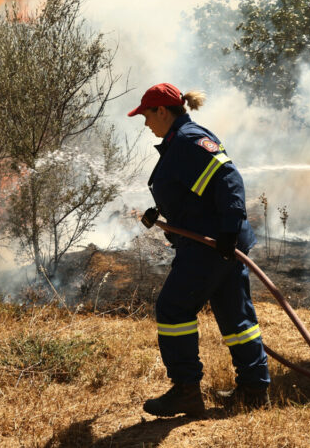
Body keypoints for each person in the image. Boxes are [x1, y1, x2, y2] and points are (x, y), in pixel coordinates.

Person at [129, 82, 270, 417]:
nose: (146, 123)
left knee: (173, 308)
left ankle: (186, 391)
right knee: (236, 317)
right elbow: (197, 192)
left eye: (147, 116)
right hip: (216, 242)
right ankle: (254, 389)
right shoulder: (180, 140)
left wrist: (228, 230)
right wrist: (163, 212)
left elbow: (229, 179)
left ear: (162, 111)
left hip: (210, 245)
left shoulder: (189, 139)